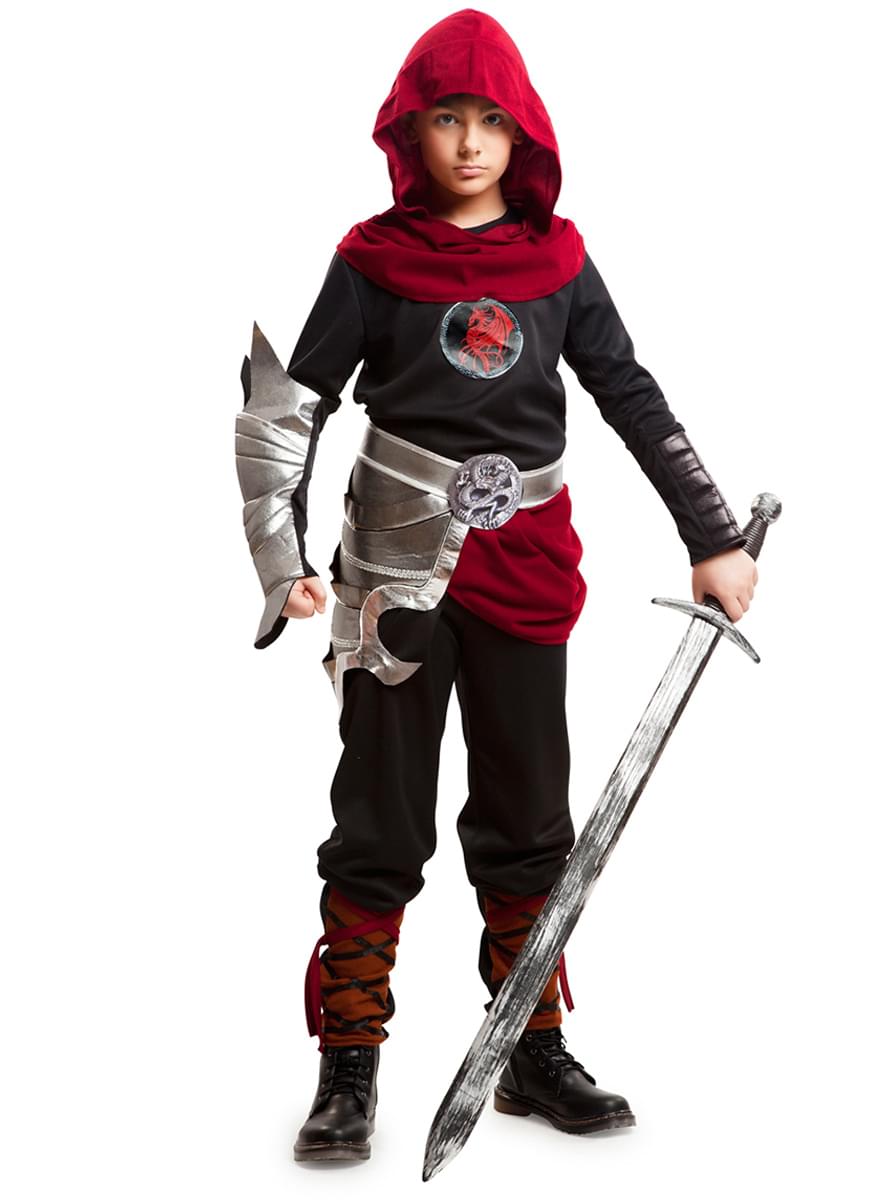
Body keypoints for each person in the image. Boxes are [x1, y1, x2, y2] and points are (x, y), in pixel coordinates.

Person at [235, 7, 758, 1166]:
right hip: (392, 582)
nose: (468, 143)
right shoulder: (371, 263)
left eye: (488, 120)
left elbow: (630, 393)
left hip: (527, 568)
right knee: (378, 821)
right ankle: (348, 1065)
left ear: (522, 133)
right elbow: (287, 409)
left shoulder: (558, 262)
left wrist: (711, 533)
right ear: (407, 132)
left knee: (528, 821)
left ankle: (530, 1047)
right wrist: (283, 564)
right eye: (444, 120)